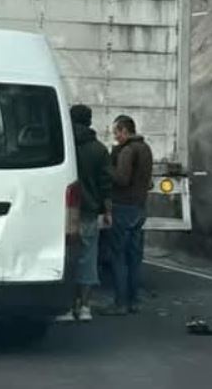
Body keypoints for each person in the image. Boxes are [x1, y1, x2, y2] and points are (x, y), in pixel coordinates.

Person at [57, 105, 112, 322]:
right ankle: (85, 307)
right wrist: (108, 211)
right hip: (89, 212)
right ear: (90, 121)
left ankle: (67, 308)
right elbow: (106, 184)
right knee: (88, 259)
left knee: (66, 257)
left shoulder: (63, 146)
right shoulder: (99, 150)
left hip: (64, 212)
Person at [99, 115, 153, 316]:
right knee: (134, 256)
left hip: (123, 206)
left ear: (124, 131)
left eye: (116, 132)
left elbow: (122, 178)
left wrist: (107, 168)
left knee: (118, 256)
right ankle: (134, 300)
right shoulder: (145, 149)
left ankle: (120, 303)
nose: (115, 137)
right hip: (140, 207)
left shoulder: (127, 151)